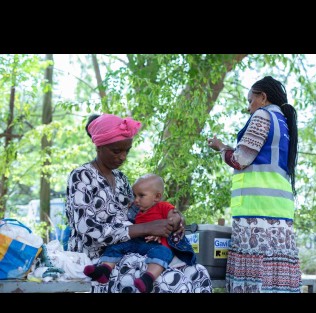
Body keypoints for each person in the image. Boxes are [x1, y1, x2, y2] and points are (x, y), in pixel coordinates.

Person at [66, 113, 211, 293]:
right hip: (99, 259)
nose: (123, 157)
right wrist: (146, 228)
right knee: (172, 282)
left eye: (127, 150)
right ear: (99, 146)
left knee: (198, 273)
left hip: (132, 251)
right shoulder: (81, 176)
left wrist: (173, 217)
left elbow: (138, 212)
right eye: (116, 151)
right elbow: (87, 232)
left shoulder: (121, 179)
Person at [207, 76, 302, 293]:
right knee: (275, 281)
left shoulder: (262, 115)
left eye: (251, 101)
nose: (249, 108)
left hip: (256, 213)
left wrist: (221, 147)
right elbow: (256, 157)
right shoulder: (283, 122)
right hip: (280, 212)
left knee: (254, 279)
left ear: (263, 97)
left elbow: (240, 159)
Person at [82, 173, 196, 293]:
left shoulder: (162, 206)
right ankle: (105, 270)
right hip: (138, 243)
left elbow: (175, 216)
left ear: (157, 197)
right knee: (117, 244)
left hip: (157, 246)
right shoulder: (136, 210)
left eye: (141, 196)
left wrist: (170, 223)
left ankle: (147, 279)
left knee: (164, 253)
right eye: (135, 195)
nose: (136, 200)